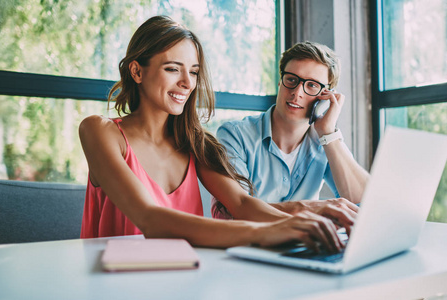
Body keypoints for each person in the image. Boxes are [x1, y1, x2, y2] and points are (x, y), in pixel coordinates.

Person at [79, 15, 354, 252]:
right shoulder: (99, 131)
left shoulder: (196, 144)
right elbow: (150, 219)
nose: (187, 83)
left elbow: (242, 203)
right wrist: (266, 232)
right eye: (173, 69)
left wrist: (301, 218)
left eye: (194, 72)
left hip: (185, 281)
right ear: (137, 71)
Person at [213, 41, 369, 222]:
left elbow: (366, 203)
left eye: (311, 85)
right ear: (280, 82)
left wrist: (328, 133)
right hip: (249, 246)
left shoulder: (324, 141)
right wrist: (308, 209)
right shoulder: (235, 136)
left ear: (327, 96)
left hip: (304, 246)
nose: (297, 93)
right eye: (292, 80)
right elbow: (233, 212)